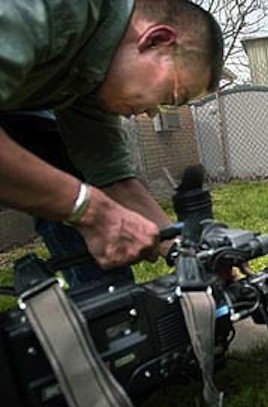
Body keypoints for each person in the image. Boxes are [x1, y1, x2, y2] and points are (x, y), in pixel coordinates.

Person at [0, 0, 224, 282]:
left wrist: (189, 252)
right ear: (157, 39)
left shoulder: (94, 78)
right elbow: (89, 203)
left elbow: (111, 177)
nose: (153, 112)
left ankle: (110, 319)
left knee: (63, 170)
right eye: (171, 97)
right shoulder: (61, 8)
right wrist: (87, 208)